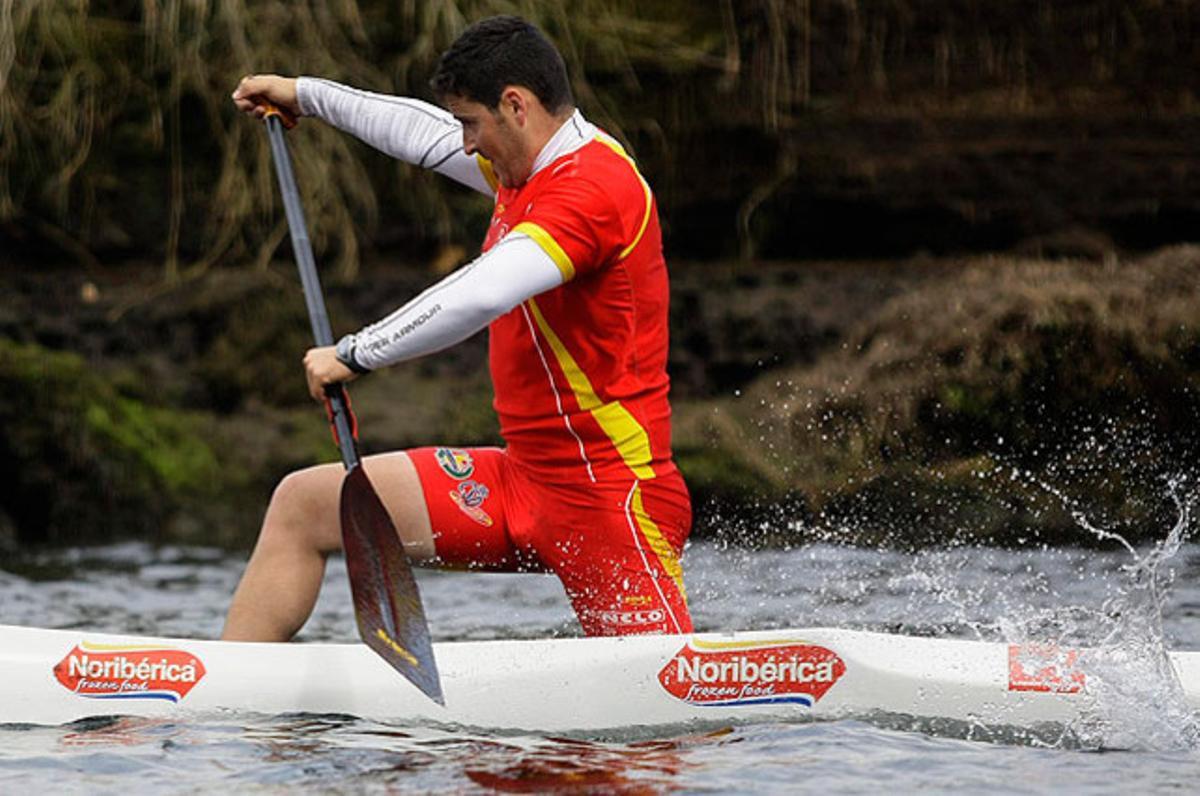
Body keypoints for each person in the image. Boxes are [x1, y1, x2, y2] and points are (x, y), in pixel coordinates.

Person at [223, 15, 691, 641]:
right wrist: (306, 94)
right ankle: (229, 691)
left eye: (472, 123)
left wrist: (356, 353)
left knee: (657, 720)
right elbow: (422, 134)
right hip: (518, 482)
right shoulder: (524, 165)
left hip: (612, 502)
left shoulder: (595, 191)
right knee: (303, 506)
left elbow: (483, 292)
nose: (466, 144)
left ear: (516, 106)